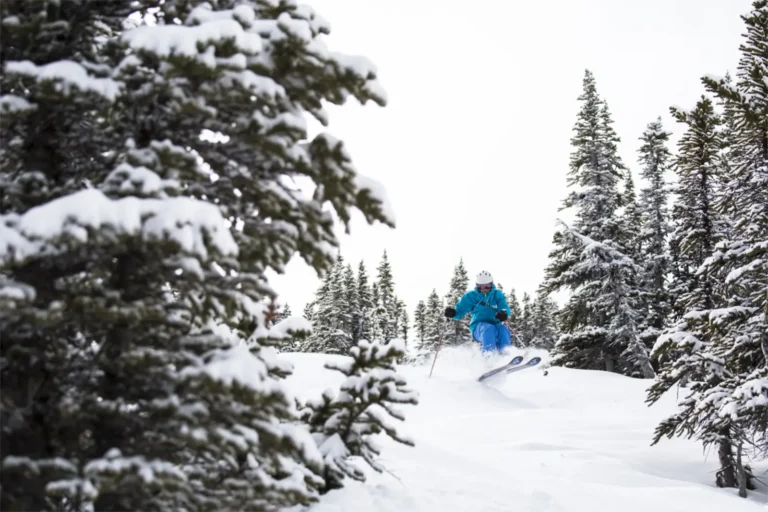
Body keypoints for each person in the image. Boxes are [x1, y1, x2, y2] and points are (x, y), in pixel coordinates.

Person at [444, 270, 512, 353]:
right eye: (480, 286)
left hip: (495, 324)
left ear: (491, 284)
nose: (484, 289)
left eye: (487, 286)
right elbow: (459, 312)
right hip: (478, 328)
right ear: (477, 285)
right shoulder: (471, 296)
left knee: (503, 329)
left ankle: (505, 355)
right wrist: (453, 313)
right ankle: (489, 357)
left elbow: (504, 307)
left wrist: (503, 313)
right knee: (489, 328)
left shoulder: (497, 295)